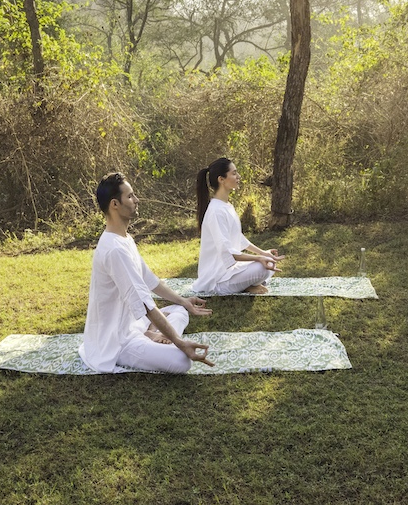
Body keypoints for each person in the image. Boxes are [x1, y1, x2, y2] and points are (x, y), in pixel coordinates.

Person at [80, 171, 214, 373]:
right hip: (118, 341)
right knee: (182, 361)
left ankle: (152, 334)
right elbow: (144, 304)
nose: (136, 200)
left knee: (180, 310)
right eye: (130, 196)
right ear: (115, 204)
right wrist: (179, 342)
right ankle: (155, 337)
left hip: (134, 324)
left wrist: (184, 301)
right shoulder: (114, 249)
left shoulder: (125, 239)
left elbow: (151, 281)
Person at [194, 157, 284, 295]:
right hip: (217, 281)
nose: (238, 177)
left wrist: (262, 253)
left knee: (270, 261)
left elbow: (238, 238)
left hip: (229, 272)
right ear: (221, 179)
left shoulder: (226, 206)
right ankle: (247, 285)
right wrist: (258, 258)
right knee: (263, 267)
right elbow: (227, 252)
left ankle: (248, 285)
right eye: (234, 173)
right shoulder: (216, 211)